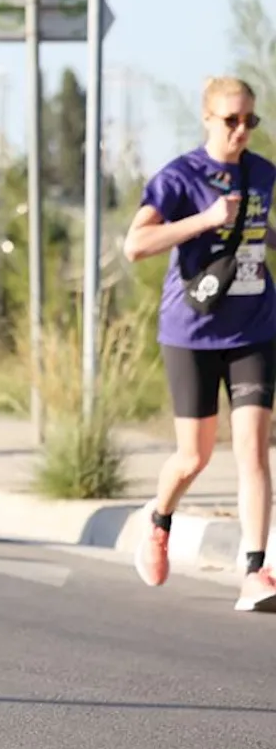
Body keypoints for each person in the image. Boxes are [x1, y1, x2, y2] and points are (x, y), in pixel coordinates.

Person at [123, 77, 276, 614]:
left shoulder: (262, 174)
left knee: (254, 448)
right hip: (191, 331)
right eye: (231, 120)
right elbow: (135, 244)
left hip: (254, 327)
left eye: (249, 121)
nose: (241, 131)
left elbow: (262, 230)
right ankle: (159, 520)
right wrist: (206, 221)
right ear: (208, 119)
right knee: (195, 456)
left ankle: (256, 570)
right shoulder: (179, 177)